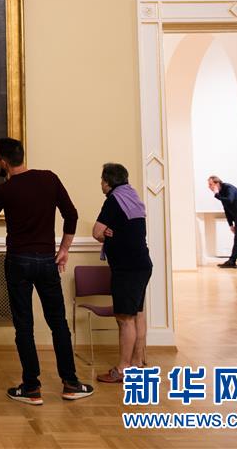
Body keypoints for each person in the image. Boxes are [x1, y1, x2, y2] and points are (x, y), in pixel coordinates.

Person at [0, 137, 94, 405]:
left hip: (18, 260)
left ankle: (31, 387)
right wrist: (64, 249)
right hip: (46, 260)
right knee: (58, 323)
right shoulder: (49, 178)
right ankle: (71, 383)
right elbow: (71, 214)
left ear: (3, 162)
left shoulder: (6, 189)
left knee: (24, 325)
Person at [92, 163, 152, 383]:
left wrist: (106, 233)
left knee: (125, 319)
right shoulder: (132, 196)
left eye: (102, 180)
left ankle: (123, 368)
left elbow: (96, 232)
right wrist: (111, 231)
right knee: (137, 314)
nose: (101, 184)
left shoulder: (113, 199)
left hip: (126, 268)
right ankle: (137, 363)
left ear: (108, 181)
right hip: (142, 265)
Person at [208, 176, 237, 268]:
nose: (209, 187)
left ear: (217, 183)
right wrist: (230, 224)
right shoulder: (221, 192)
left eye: (211, 184)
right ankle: (232, 261)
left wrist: (216, 194)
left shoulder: (228, 188)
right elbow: (226, 209)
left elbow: (230, 200)